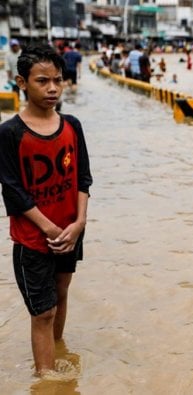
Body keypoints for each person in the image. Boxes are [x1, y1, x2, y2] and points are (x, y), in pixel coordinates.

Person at [0, 44, 92, 375]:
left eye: (58, 80)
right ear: (21, 82)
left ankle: (56, 352)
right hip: (34, 239)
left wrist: (79, 223)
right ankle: (46, 377)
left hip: (71, 230)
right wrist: (50, 229)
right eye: (42, 81)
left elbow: (83, 177)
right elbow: (13, 191)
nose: (52, 88)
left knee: (61, 293)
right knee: (42, 311)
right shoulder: (9, 133)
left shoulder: (72, 125)